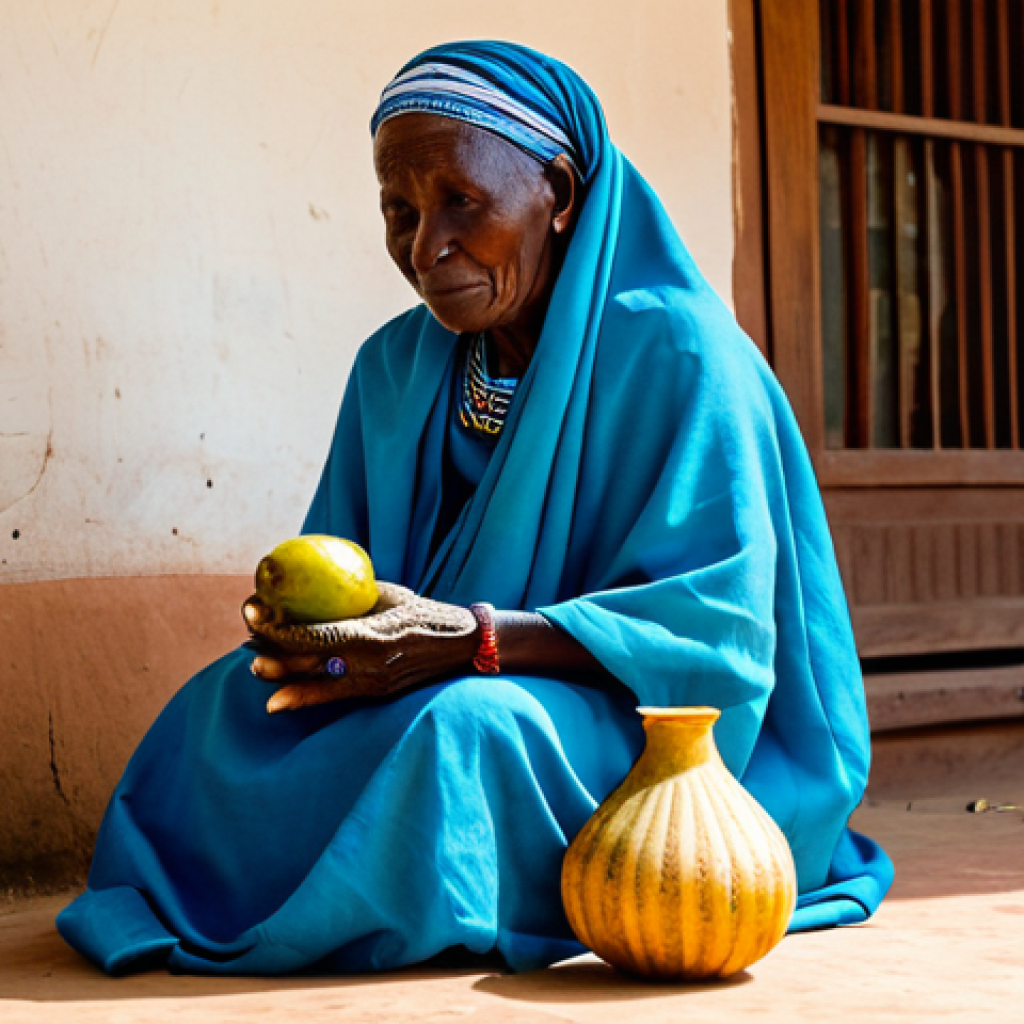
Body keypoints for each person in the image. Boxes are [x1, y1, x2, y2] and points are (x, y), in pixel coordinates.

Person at [57, 41, 893, 976]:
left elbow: (719, 637)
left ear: (562, 193)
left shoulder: (686, 356)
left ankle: (368, 901)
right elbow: (361, 592)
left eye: (463, 202)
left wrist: (472, 641)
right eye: (399, 212)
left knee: (463, 736)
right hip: (431, 670)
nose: (426, 248)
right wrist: (314, 643)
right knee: (220, 711)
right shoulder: (392, 366)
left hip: (644, 719)